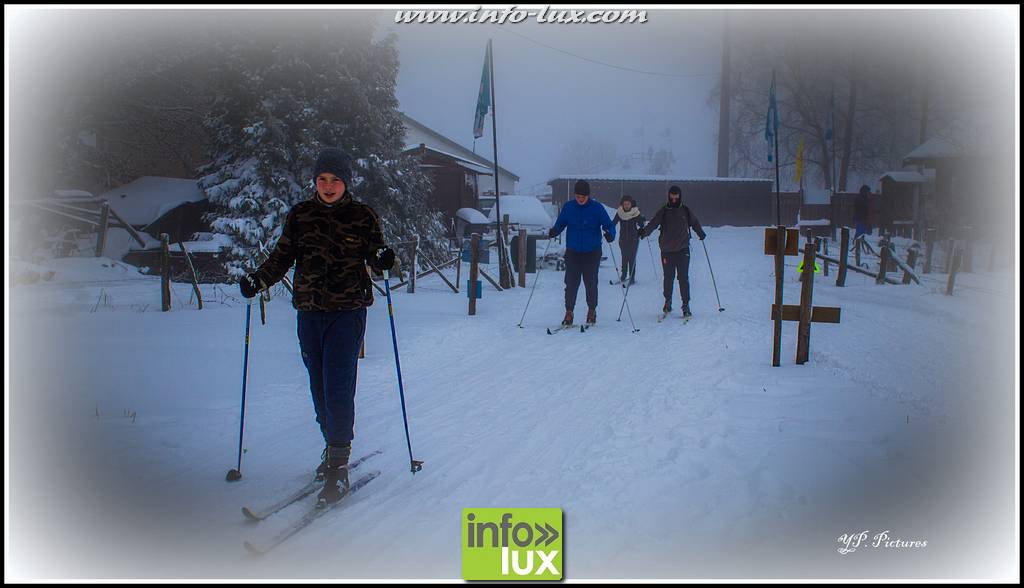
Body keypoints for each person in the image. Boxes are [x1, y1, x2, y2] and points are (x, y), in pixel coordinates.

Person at [239, 147, 399, 506]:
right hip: (309, 312)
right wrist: (259, 280)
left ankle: (339, 467)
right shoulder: (301, 215)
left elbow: (377, 254)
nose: (328, 186)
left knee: (337, 387)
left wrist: (384, 258)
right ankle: (332, 445)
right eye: (322, 179)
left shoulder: (362, 216)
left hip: (347, 312)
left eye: (335, 180)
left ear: (346, 183)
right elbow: (281, 257)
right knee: (318, 387)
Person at [548, 180, 616, 326]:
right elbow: (560, 224)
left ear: (588, 196)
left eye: (583, 197)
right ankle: (569, 312)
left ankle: (592, 310)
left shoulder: (597, 208)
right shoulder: (569, 207)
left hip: (592, 252)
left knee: (590, 282)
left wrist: (610, 234)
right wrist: (555, 231)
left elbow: (609, 225)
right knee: (571, 283)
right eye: (578, 196)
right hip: (573, 252)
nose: (580, 199)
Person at [639, 185, 706, 318]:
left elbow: (694, 222)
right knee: (668, 277)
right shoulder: (664, 211)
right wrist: (644, 232)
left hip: (683, 249)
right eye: (672, 195)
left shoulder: (685, 210)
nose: (674, 198)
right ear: (668, 196)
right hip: (667, 250)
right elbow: (653, 223)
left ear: (680, 196)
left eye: (676, 195)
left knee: (683, 278)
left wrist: (700, 232)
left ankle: (686, 305)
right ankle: (667, 301)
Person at [612, 195, 645, 285]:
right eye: (625, 204)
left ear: (631, 204)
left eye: (628, 204)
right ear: (622, 204)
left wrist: (642, 220)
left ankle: (632, 277)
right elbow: (613, 222)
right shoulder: (620, 212)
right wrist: (608, 229)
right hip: (623, 239)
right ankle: (623, 275)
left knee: (631, 258)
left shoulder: (635, 213)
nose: (626, 206)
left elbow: (641, 224)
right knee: (624, 257)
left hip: (633, 239)